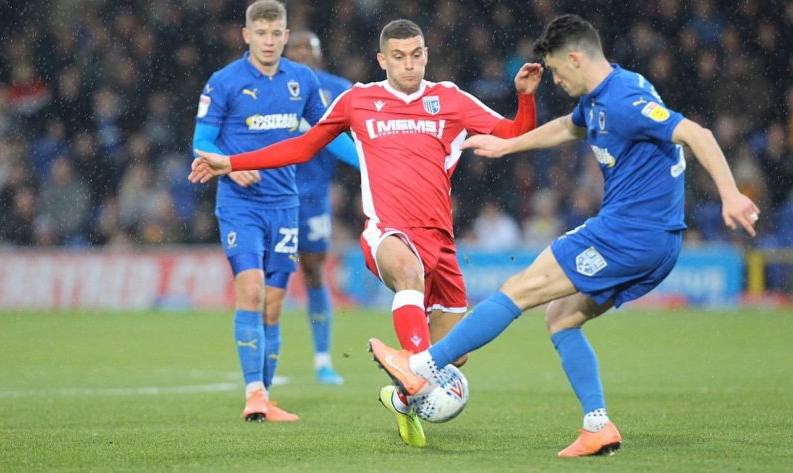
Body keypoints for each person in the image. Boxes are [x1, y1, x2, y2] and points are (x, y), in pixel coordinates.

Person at [367, 14, 760, 457]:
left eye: (555, 68)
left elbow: (696, 132)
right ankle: (598, 425)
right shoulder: (601, 97)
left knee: (517, 290)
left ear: (576, 58)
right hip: (658, 243)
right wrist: (508, 144)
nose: (554, 77)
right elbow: (568, 128)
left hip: (625, 233)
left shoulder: (624, 98)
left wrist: (730, 195)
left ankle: (419, 365)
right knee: (562, 318)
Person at [189, 19, 543, 447]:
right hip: (388, 233)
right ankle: (411, 373)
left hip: (441, 242)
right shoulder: (359, 100)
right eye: (399, 57)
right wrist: (234, 162)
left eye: (416, 55)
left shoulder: (449, 99)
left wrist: (525, 98)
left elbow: (514, 132)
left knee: (455, 354)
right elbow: (304, 145)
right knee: (408, 274)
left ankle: (402, 395)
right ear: (382, 59)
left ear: (426, 55)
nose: (409, 65)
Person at [191, 0, 358, 423]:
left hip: (286, 205)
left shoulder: (302, 81)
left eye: (275, 34)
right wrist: (231, 167)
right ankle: (254, 395)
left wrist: (370, 165)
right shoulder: (223, 82)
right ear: (247, 36)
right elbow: (203, 142)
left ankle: (265, 396)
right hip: (240, 204)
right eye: (260, 34)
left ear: (285, 36)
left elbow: (324, 136)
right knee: (250, 291)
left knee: (275, 304)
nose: (268, 41)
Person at [284, 30, 357, 386]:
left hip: (313, 200)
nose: (301, 53)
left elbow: (356, 139)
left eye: (308, 47)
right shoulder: (270, 86)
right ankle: (264, 363)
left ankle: (323, 360)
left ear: (319, 54)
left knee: (313, 271)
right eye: (294, 48)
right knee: (272, 277)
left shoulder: (337, 88)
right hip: (273, 196)